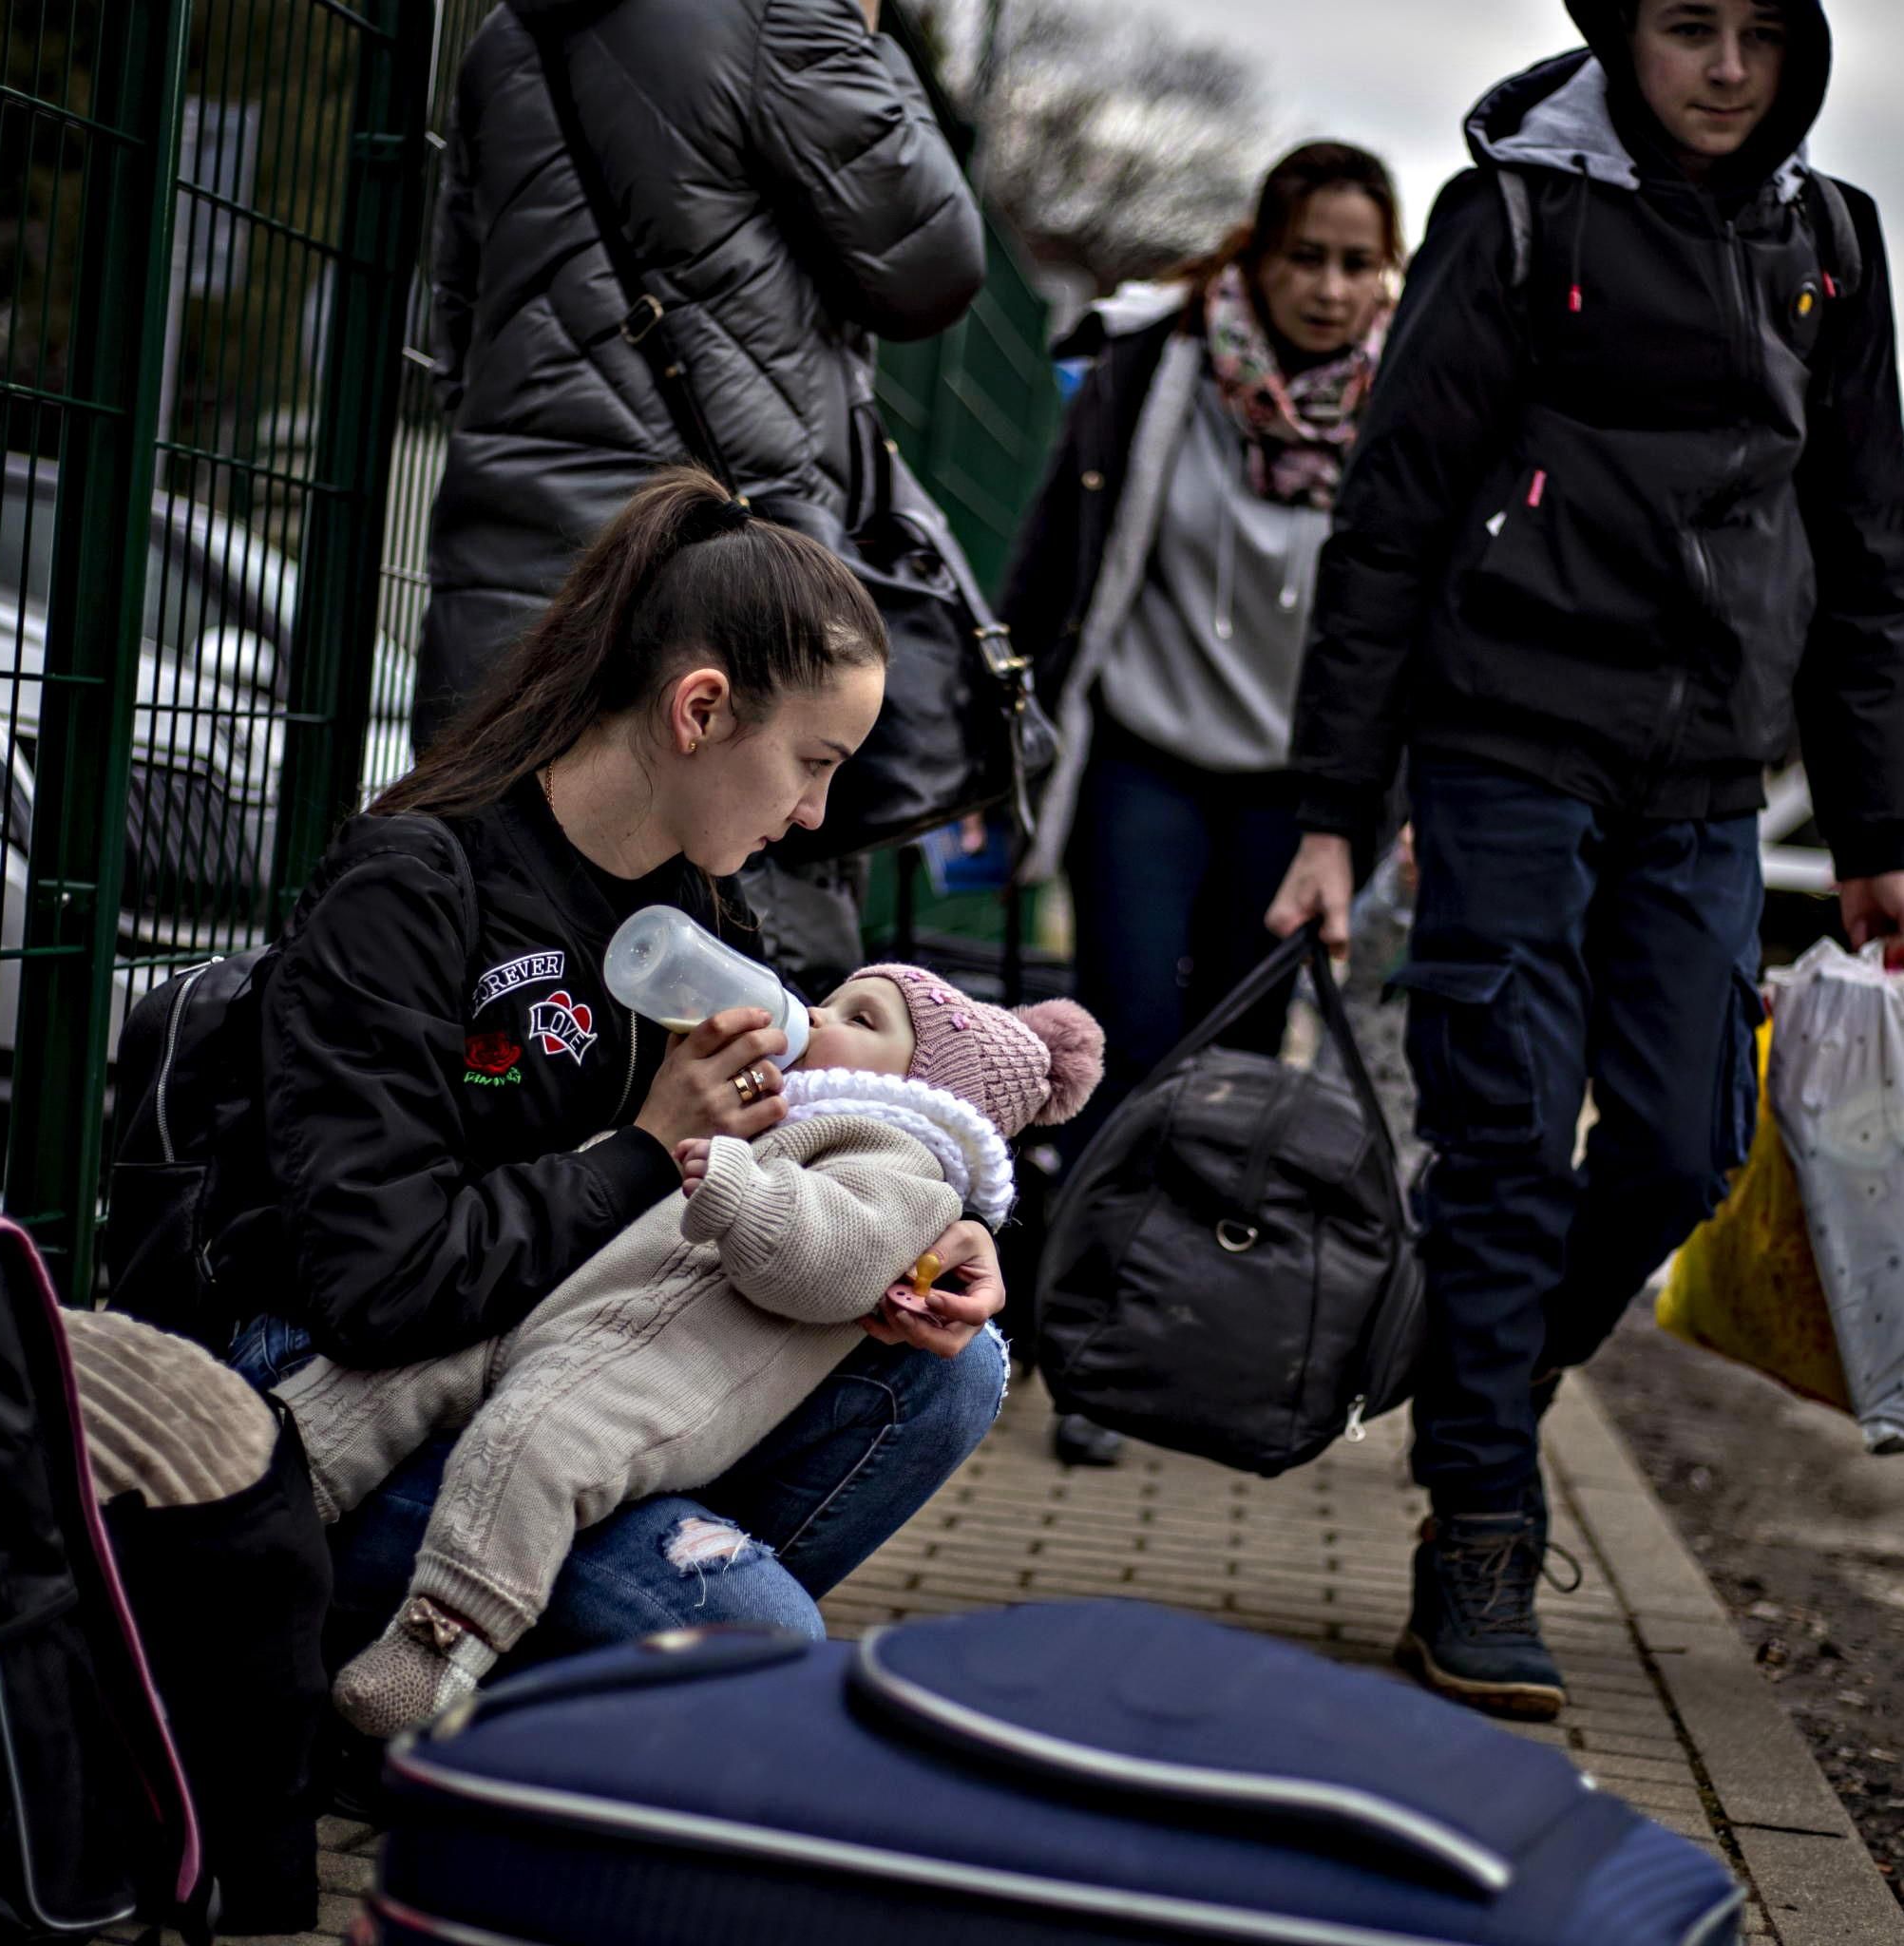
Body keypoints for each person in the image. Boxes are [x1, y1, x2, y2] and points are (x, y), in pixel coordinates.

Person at [1266, 0, 1904, 1718]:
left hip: (1707, 782)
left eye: (1759, 34)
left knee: (1684, 1145)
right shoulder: (1515, 213)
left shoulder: (1830, 245)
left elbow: (1866, 549)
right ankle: (1480, 1525)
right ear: (1623, 33)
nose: (1725, 68)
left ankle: (1479, 1370)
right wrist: (1334, 810)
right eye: (1687, 27)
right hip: (1505, 747)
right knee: (1500, 1145)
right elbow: (1390, 519)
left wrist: (1878, 833)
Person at [228, 472, 1012, 1692]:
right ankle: (468, 1665)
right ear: (701, 709)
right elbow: (377, 1287)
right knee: (755, 1631)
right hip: (350, 1393)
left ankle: (539, 1648)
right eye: (812, 762)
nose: (815, 813)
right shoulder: (418, 887)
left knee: (952, 1370)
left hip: (561, 1367)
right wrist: (645, 1149)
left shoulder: (700, 903)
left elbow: (810, 1135)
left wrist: (924, 1238)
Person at [281, 970, 1100, 1735]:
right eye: (831, 999)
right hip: (545, 1313)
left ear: (929, 1084)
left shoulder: (901, 1166)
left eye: (861, 1019)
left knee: (527, 1449)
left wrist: (744, 1194)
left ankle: (435, 1648)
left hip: (630, 1382)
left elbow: (835, 1262)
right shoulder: (776, 1109)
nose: (816, 1015)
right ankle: (258, 1493)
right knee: (381, 1381)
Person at [411, 0, 985, 986]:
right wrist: (865, 34)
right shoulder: (778, 15)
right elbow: (931, 264)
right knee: (739, 958)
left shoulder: (511, 32)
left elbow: (459, 316)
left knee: (492, 930)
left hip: (512, 542)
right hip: (728, 565)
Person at [1001, 142, 1401, 1464]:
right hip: (1145, 757)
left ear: (1387, 273)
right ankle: (1080, 1345)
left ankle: (1185, 1332)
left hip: (1299, 794)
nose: (1330, 288)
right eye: (1306, 257)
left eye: (1357, 263)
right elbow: (1054, 550)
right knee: (1123, 1037)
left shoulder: (1413, 400)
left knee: (1238, 1069)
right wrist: (1004, 729)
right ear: (1256, 256)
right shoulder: (1155, 360)